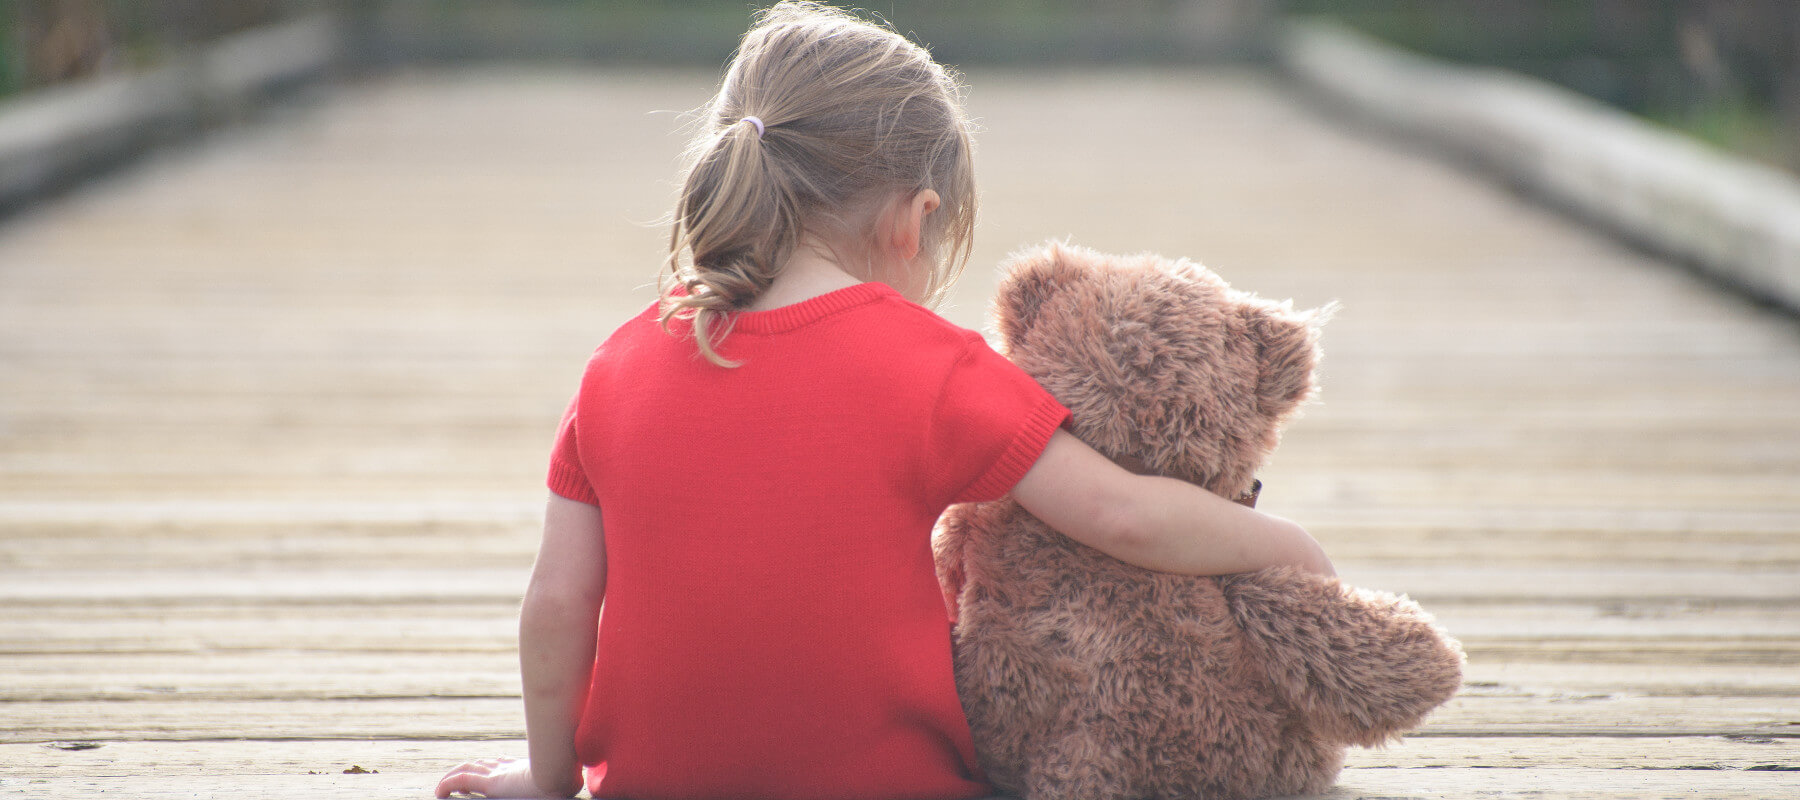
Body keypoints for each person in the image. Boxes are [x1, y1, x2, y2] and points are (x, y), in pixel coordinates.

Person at [435, 3, 1332, 798]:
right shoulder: (932, 365)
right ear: (913, 219)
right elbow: (1119, 514)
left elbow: (556, 602)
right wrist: (1283, 546)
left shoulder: (614, 367)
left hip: (654, 784)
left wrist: (549, 780)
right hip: (887, 783)